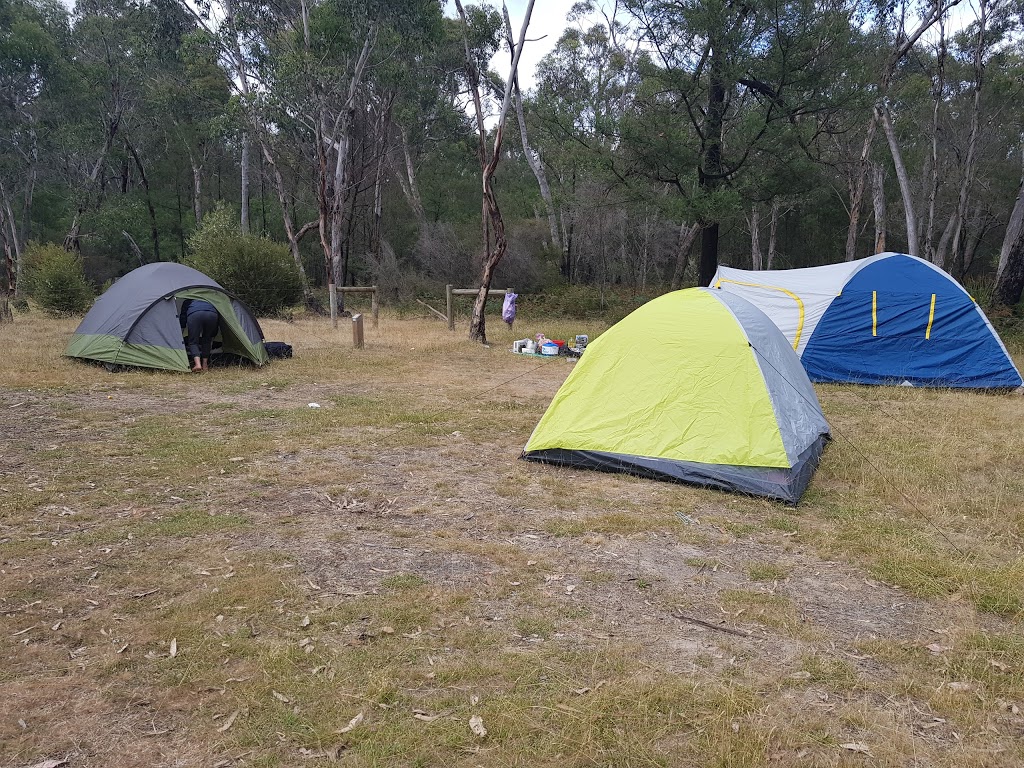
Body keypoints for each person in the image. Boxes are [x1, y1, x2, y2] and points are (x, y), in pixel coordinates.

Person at [179, 298, 220, 372]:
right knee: (207, 339)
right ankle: (205, 365)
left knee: (193, 341)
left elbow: (183, 317)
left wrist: (181, 332)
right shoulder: (210, 299)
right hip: (212, 315)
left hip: (195, 314)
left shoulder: (188, 301)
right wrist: (214, 333)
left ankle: (198, 364)